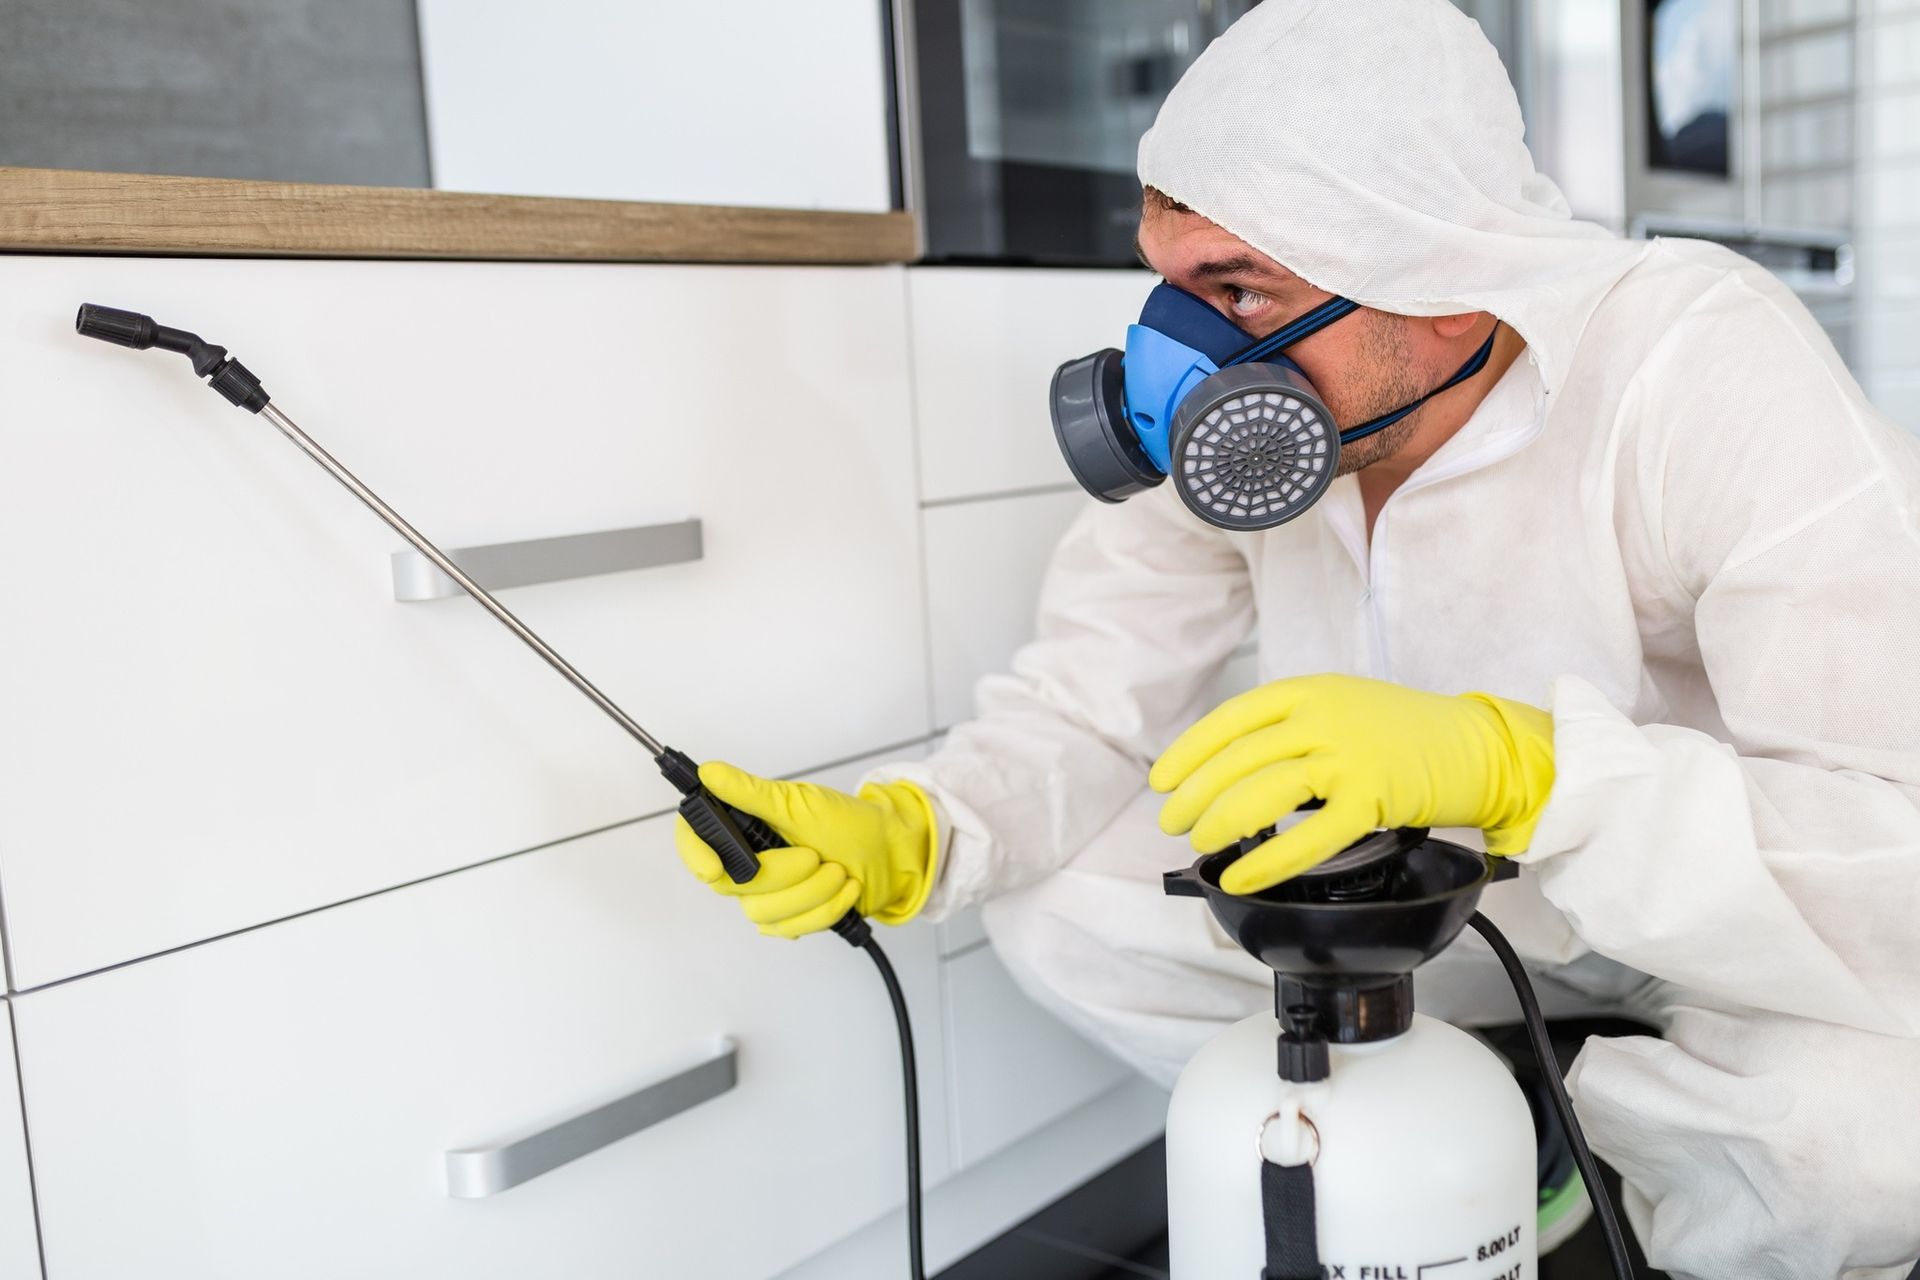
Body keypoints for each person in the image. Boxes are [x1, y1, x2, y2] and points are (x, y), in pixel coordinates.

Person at [675, 2, 1920, 1275]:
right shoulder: (1255, 443)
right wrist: (922, 826)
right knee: (1063, 904)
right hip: (1419, 912)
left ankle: (1650, 1184)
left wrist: (1526, 771)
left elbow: (1891, 837)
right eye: (1169, 280)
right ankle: (1501, 1133)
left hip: (1726, 923)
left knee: (1871, 1138)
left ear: (1441, 282)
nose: (1180, 351)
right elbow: (1089, 697)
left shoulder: (1693, 366)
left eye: (1236, 289)